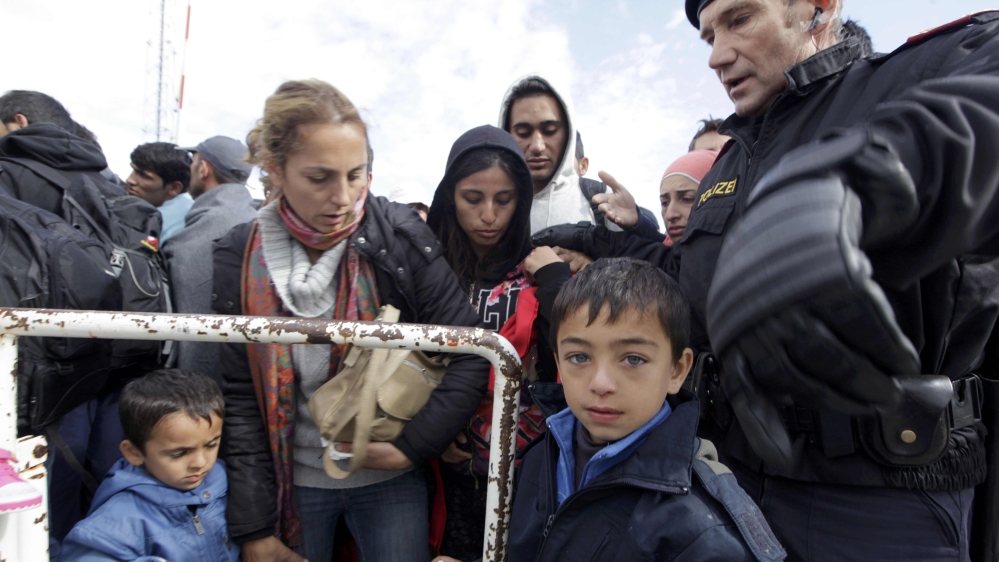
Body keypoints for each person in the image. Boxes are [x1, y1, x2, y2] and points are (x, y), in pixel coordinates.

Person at [536, 3, 999, 561]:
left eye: (740, 19)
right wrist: (608, 243)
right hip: (727, 484)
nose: (716, 54)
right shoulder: (729, 165)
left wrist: (862, 180)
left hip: (879, 501)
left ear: (818, 8)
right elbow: (685, 289)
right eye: (708, 35)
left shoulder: (924, 71)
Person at [211, 79, 490, 562]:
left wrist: (414, 447)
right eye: (320, 178)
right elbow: (238, 397)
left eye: (356, 175)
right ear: (276, 171)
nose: (343, 198)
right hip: (291, 485)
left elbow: (473, 351)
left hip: (391, 481)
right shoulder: (237, 256)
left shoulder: (399, 237)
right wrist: (255, 528)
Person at [505, 258, 784, 561]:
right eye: (579, 357)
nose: (601, 384)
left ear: (677, 370)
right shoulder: (540, 456)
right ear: (558, 362)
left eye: (633, 359)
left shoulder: (703, 530)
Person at [425, 124, 570, 560]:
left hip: (527, 472)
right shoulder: (429, 273)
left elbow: (570, 353)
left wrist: (555, 283)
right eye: (473, 199)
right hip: (443, 467)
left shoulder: (538, 269)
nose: (489, 215)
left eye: (503, 200)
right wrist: (431, 430)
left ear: (521, 201)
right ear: (450, 197)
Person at [61, 369, 239, 561]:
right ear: (134, 453)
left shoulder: (227, 479)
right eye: (179, 454)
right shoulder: (117, 522)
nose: (200, 463)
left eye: (211, 445)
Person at [498, 75, 659, 241]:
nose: (537, 146)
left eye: (550, 130)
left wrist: (638, 225)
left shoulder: (602, 199)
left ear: (568, 133)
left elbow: (655, 258)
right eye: (523, 133)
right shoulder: (492, 203)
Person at [162, 136, 257, 379]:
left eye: (193, 162)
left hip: (203, 386)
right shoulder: (250, 218)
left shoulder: (209, 226)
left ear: (203, 169)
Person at [127, 142, 193, 241]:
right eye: (133, 170)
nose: (130, 180)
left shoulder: (173, 226)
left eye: (144, 176)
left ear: (174, 188)